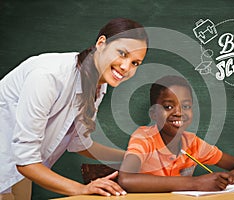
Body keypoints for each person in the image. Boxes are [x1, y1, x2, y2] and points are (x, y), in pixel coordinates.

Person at [0, 18, 148, 199]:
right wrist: (82, 189)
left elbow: (80, 143)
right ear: (101, 43)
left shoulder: (98, 84)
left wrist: (135, 158)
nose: (126, 67)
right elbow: (25, 160)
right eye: (122, 54)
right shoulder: (49, 77)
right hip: (16, 163)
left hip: (18, 169)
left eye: (135, 63)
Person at [118, 75, 234, 192]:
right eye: (168, 107)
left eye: (186, 106)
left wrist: (231, 177)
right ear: (153, 113)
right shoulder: (144, 138)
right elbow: (126, 179)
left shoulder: (193, 143)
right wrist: (196, 183)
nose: (179, 113)